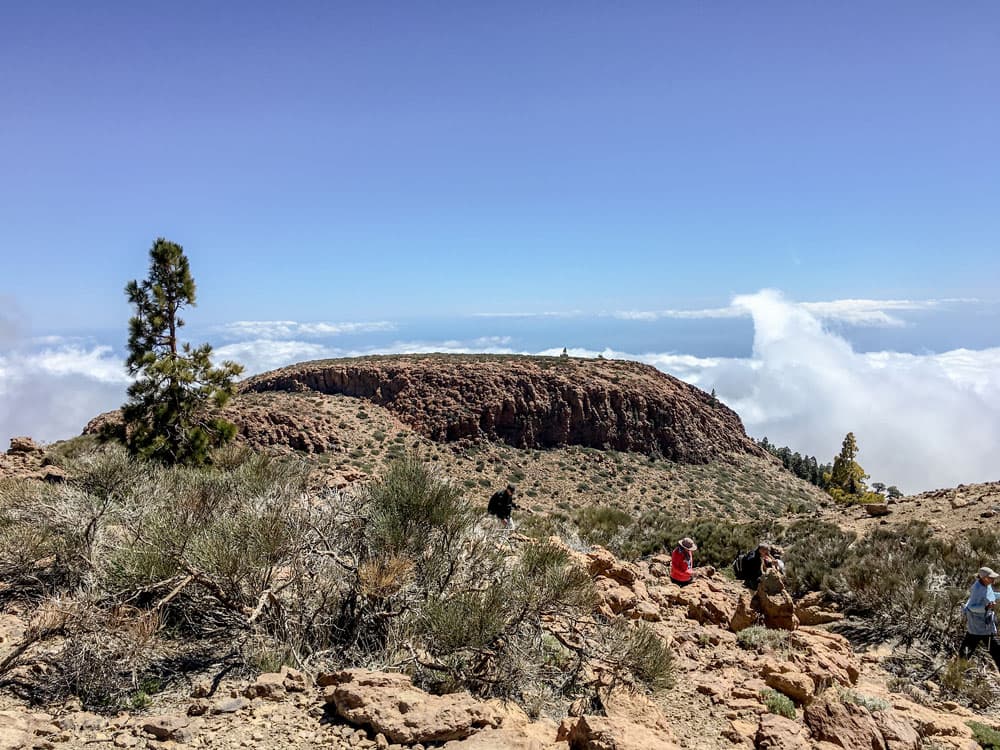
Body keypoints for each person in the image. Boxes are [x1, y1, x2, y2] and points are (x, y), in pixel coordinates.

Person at [960, 566, 1000, 670]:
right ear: (984, 578)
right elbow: (971, 607)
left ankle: (958, 669)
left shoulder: (987, 585)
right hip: (977, 626)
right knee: (967, 650)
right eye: (991, 577)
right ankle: (957, 672)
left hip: (985, 625)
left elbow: (990, 595)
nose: (993, 579)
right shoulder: (977, 589)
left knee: (995, 649)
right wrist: (986, 607)